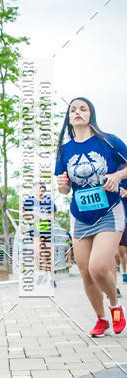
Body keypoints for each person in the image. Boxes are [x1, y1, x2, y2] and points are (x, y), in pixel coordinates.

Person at [55, 97, 127, 338]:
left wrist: (117, 176)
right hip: (79, 215)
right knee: (85, 272)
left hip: (109, 210)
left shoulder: (108, 141)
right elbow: (64, 189)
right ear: (68, 117)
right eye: (73, 109)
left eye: (82, 108)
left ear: (90, 114)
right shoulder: (64, 150)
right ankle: (101, 319)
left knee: (98, 267)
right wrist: (62, 186)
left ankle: (115, 306)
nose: (77, 112)